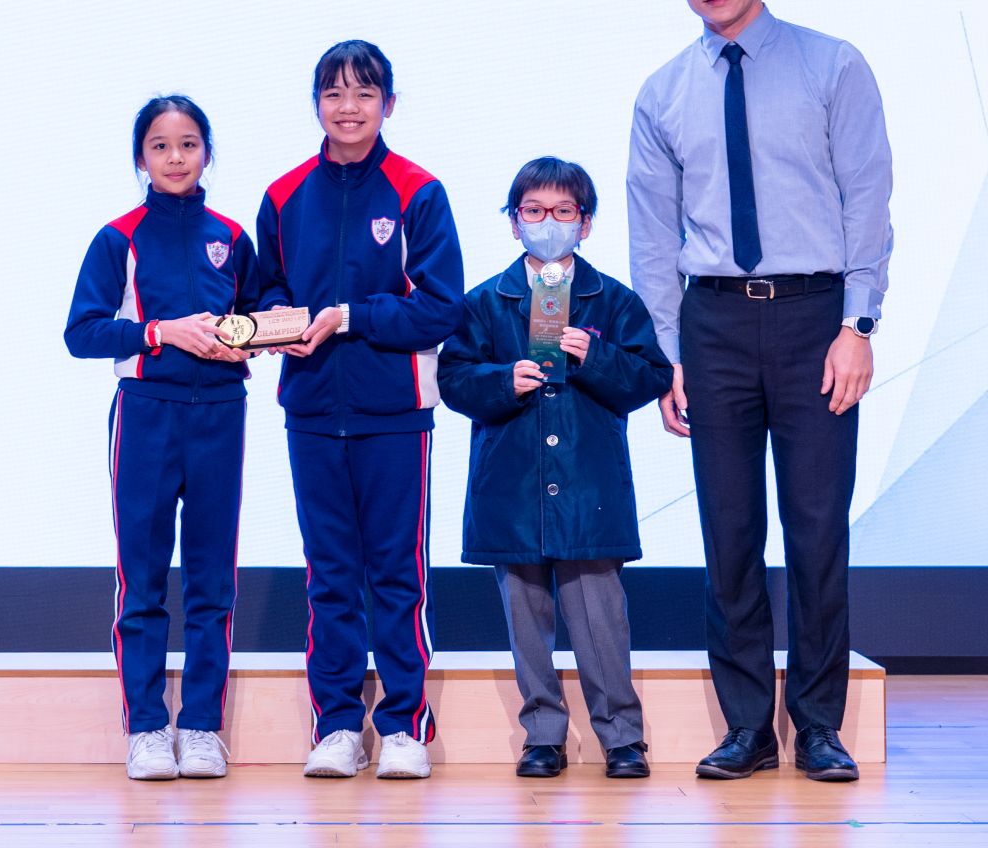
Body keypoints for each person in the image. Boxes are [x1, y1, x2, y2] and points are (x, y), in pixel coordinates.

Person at [626, 0, 893, 783]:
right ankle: (748, 726)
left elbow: (868, 201)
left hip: (816, 316)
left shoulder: (832, 65)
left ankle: (818, 725)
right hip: (714, 326)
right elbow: (652, 238)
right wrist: (669, 352)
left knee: (817, 530)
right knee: (729, 532)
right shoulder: (663, 93)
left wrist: (858, 324)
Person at [254, 40, 464, 780]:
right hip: (312, 411)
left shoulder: (418, 192)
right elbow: (266, 291)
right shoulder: (283, 194)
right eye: (334, 93)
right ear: (316, 103)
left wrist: (349, 316)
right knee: (330, 574)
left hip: (395, 413)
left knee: (398, 575)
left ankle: (405, 726)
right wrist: (276, 323)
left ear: (389, 104)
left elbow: (441, 308)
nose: (348, 107)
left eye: (364, 93)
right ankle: (338, 724)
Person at [440, 158, 673, 780]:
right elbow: (453, 380)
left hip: (588, 487)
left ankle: (622, 737)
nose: (549, 222)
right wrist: (501, 380)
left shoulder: (613, 300)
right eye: (535, 211)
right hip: (511, 488)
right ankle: (542, 735)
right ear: (514, 222)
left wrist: (595, 356)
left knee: (601, 620)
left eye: (564, 211)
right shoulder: (484, 302)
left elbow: (650, 376)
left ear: (585, 223)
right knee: (527, 622)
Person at [64, 96, 255, 781]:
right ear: (141, 158)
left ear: (207, 152)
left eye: (189, 144)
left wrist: (249, 340)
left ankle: (200, 726)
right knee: (142, 580)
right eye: (160, 146)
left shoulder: (232, 236)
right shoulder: (118, 238)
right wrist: (159, 331)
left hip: (220, 415)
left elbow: (257, 317)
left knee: (212, 581)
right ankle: (147, 727)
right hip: (145, 415)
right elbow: (82, 333)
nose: (176, 158)